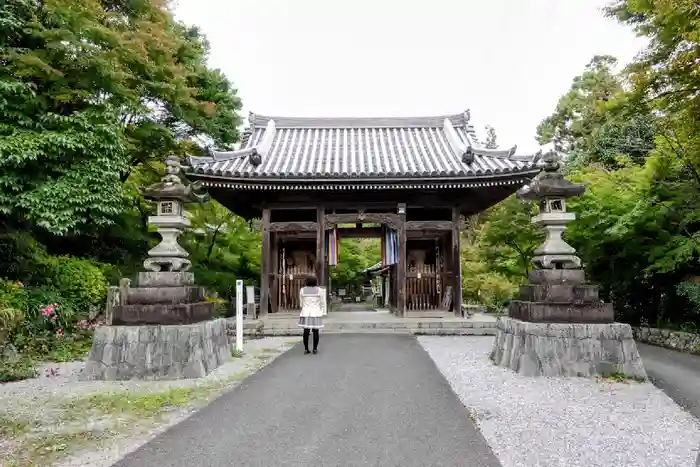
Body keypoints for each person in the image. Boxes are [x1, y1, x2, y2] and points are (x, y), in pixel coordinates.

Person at [298, 275, 326, 354]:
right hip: (316, 312)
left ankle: (306, 349)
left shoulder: (302, 290)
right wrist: (322, 311)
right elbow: (322, 302)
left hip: (306, 312)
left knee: (306, 332)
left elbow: (301, 303)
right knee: (316, 331)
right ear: (316, 282)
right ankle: (315, 349)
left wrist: (304, 307)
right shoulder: (319, 290)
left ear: (306, 282)